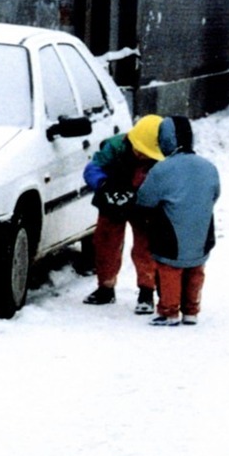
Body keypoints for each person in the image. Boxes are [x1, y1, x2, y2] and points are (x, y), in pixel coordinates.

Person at [135, 116, 221, 326]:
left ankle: (169, 311)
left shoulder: (162, 170)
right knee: (195, 267)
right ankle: (191, 311)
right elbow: (215, 194)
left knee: (170, 269)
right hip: (202, 229)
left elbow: (145, 199)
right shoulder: (208, 167)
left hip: (170, 232)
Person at [82, 114, 165, 313]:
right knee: (105, 243)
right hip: (112, 201)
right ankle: (106, 287)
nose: (143, 156)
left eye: (148, 154)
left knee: (146, 247)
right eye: (141, 151)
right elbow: (92, 169)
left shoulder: (161, 156)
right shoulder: (114, 147)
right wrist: (102, 184)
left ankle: (147, 291)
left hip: (144, 205)